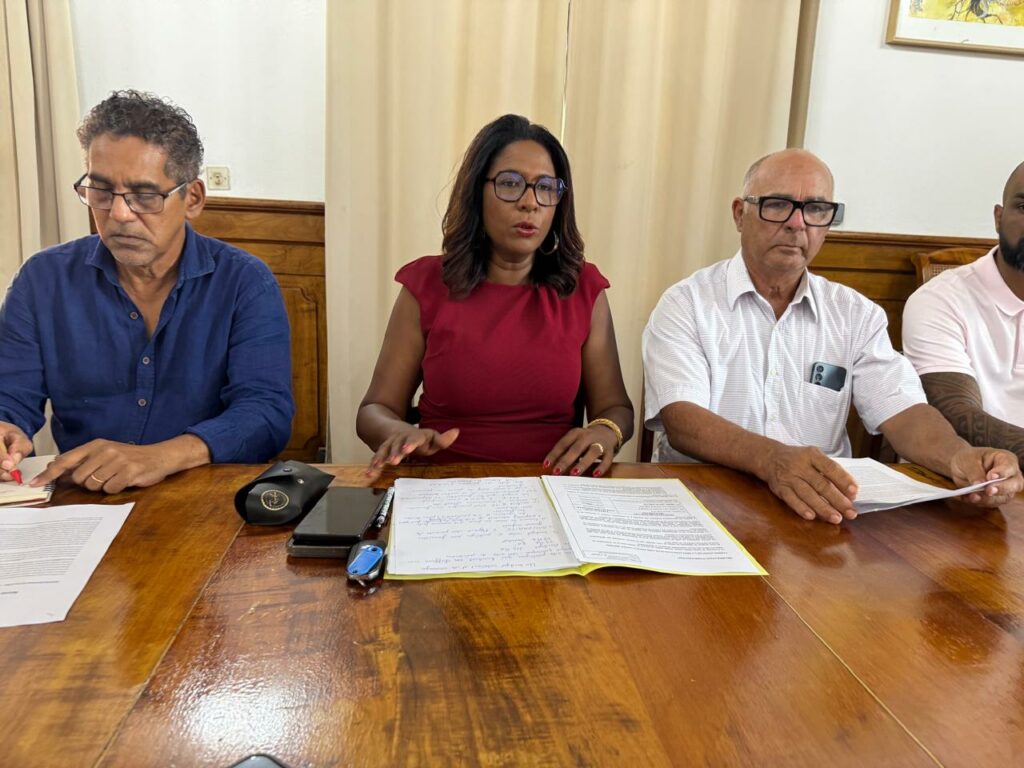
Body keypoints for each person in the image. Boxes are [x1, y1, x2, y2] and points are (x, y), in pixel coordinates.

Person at [642, 148, 1022, 524]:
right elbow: (683, 421)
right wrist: (772, 460)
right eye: (778, 205)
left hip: (817, 513)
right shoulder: (687, 303)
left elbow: (903, 411)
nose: (797, 224)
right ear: (741, 214)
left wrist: (961, 457)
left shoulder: (855, 314)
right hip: (704, 505)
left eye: (816, 210)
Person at [0, 90, 294, 493]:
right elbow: (10, 397)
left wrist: (162, 456)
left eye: (144, 196)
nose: (118, 214)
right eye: (101, 192)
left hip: (207, 499)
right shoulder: (42, 280)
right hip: (88, 500)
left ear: (192, 198)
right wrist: (5, 429)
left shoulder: (244, 282)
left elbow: (265, 414)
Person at [358, 114, 633, 478]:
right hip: (444, 483)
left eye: (546, 187)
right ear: (477, 192)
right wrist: (397, 433)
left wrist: (605, 432)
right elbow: (374, 409)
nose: (530, 203)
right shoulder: (426, 284)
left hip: (553, 489)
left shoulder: (583, 288)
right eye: (510, 183)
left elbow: (616, 407)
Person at [903, 161, 1024, 466]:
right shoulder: (940, 299)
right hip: (961, 488)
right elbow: (955, 414)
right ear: (999, 217)